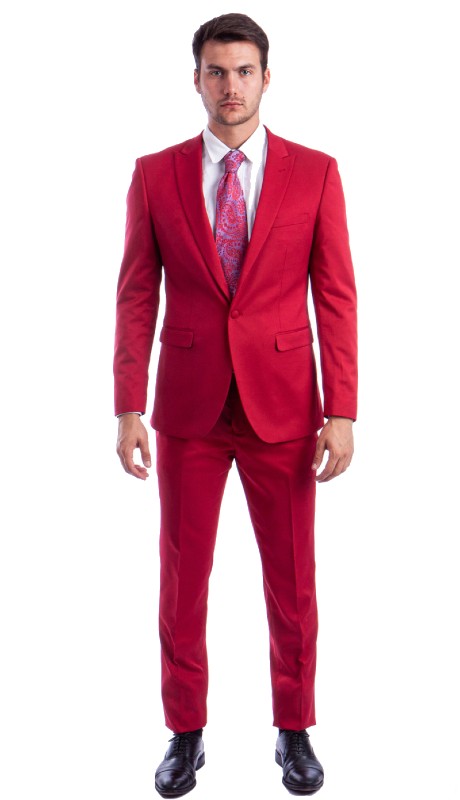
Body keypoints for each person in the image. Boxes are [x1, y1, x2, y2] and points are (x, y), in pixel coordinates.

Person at [114, 12, 357, 797]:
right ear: (196, 79)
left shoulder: (316, 173)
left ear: (266, 77)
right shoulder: (155, 175)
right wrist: (127, 405)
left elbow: (336, 297)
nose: (230, 86)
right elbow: (135, 296)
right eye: (216, 71)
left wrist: (343, 410)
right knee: (181, 581)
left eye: (244, 71)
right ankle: (185, 733)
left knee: (293, 580)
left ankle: (295, 729)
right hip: (187, 409)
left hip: (283, 409)